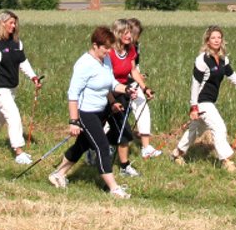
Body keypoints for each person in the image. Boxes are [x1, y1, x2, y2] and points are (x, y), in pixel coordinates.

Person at [47, 26, 133, 199]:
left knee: (81, 146)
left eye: (110, 48)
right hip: (86, 113)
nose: (109, 52)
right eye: (106, 48)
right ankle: (114, 188)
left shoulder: (106, 60)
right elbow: (73, 94)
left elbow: (111, 84)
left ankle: (58, 174)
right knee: (102, 147)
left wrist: (125, 90)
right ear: (95, 45)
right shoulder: (84, 64)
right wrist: (74, 121)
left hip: (101, 111)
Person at [171, 25, 236, 173]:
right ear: (207, 41)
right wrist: (193, 106)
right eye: (213, 37)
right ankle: (226, 161)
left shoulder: (223, 59)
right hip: (202, 102)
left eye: (219, 37)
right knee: (219, 127)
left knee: (194, 131)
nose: (217, 40)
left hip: (210, 101)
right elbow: (195, 84)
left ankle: (176, 155)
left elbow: (232, 76)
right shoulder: (202, 60)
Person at [0, 11, 41, 165]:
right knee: (14, 116)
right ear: (2, 23)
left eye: (15, 23)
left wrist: (34, 77)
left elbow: (23, 62)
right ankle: (19, 152)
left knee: (0, 118)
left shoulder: (17, 42)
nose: (14, 25)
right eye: (11, 22)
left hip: (12, 87)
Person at [106, 18, 154, 177]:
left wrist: (144, 87)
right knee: (124, 131)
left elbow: (133, 71)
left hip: (124, 92)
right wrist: (112, 98)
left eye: (130, 32)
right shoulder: (110, 52)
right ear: (117, 33)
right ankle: (124, 167)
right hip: (109, 93)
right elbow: (105, 78)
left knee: (116, 131)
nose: (129, 35)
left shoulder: (130, 49)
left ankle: (95, 151)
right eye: (125, 32)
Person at [126, 18, 163, 159]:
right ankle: (97, 148)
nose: (137, 38)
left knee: (143, 109)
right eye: (137, 34)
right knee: (113, 118)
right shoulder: (117, 47)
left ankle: (146, 147)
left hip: (134, 83)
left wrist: (142, 84)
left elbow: (134, 68)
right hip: (119, 85)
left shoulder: (136, 46)